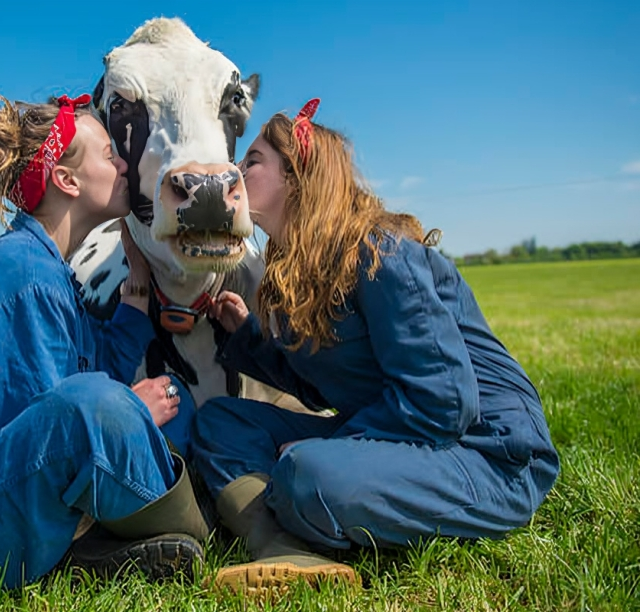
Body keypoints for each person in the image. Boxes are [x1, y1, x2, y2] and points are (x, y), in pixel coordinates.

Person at [191, 99, 560, 595]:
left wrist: (332, 445)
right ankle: (276, 543)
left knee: (309, 473)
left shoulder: (380, 255)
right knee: (220, 421)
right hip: (403, 436)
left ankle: (301, 509)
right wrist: (246, 337)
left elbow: (445, 403)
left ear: (297, 178)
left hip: (486, 454)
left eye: (251, 161)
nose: (235, 172)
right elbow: (319, 387)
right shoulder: (303, 268)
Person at [0, 93, 206, 591]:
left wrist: (137, 281)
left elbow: (101, 364)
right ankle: (168, 530)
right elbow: (43, 419)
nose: (121, 164)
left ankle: (110, 542)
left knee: (172, 404)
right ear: (67, 180)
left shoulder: (49, 272)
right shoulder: (20, 274)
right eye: (106, 155)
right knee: (96, 407)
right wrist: (129, 410)